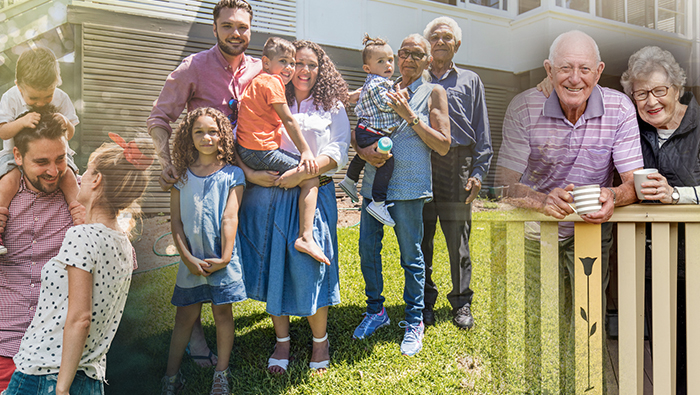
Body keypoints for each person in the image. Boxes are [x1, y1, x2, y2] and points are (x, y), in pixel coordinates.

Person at [494, 30, 643, 389]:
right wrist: (541, 200)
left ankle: (585, 385)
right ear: (549, 68)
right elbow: (502, 185)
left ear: (598, 71)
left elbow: (632, 183)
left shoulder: (620, 108)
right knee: (538, 320)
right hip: (534, 232)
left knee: (587, 322)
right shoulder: (524, 106)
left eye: (584, 69)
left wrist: (613, 196)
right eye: (564, 68)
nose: (574, 78)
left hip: (589, 232)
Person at [147, 0, 260, 367]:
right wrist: (169, 163)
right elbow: (159, 117)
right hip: (200, 182)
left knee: (238, 247)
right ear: (214, 28)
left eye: (242, 27)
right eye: (227, 26)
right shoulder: (193, 66)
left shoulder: (259, 69)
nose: (235, 33)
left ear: (250, 30)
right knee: (195, 252)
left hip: (246, 178)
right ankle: (195, 337)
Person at [2, 131, 149, 395]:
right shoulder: (124, 244)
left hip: (45, 373)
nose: (75, 175)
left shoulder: (81, 235)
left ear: (96, 180)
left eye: (85, 170)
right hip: (91, 376)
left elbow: (81, 318)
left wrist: (61, 388)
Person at [238, 40, 349, 374]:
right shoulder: (269, 93)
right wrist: (250, 175)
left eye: (311, 64)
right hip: (270, 193)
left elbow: (339, 148)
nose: (303, 70)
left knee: (308, 265)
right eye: (297, 63)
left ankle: (320, 341)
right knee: (275, 265)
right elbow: (240, 135)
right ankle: (282, 341)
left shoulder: (331, 105)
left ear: (321, 69)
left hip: (312, 195)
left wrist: (303, 173)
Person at [352, 34, 450, 357]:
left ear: (428, 61)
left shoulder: (432, 92)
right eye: (403, 52)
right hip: (373, 188)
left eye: (416, 54)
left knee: (411, 256)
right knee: (368, 249)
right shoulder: (379, 86)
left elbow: (443, 144)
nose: (407, 58)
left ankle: (413, 320)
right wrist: (363, 150)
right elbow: (360, 129)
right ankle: (376, 310)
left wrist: (411, 116)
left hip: (409, 188)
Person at [620, 45, 697, 394]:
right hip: (652, 262)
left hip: (695, 259)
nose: (651, 101)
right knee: (663, 348)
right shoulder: (631, 130)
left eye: (659, 90)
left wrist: (676, 195)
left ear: (677, 89)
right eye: (641, 94)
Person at [160, 108, 246, 395]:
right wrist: (186, 257)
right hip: (190, 259)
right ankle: (170, 377)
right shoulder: (181, 177)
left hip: (223, 260)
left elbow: (230, 217)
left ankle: (221, 374)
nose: (206, 137)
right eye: (199, 131)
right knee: (184, 317)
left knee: (223, 314)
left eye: (212, 131)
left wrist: (224, 257)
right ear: (189, 136)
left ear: (222, 135)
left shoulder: (233, 174)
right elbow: (175, 222)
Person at [0, 112, 84, 392]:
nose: (53, 171)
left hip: (59, 346)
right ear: (18, 156)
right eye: (41, 162)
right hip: (6, 340)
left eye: (60, 159)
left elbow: (122, 260)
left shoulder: (83, 197)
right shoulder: (4, 194)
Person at [420, 17, 493, 329]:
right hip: (422, 162)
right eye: (434, 37)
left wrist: (478, 172)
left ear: (457, 45)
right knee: (421, 239)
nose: (440, 41)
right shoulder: (415, 79)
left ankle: (462, 303)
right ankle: (423, 301)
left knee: (457, 240)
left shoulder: (471, 80)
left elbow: (482, 130)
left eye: (446, 37)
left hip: (458, 163)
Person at [236, 37, 327, 264]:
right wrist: (306, 151)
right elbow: (288, 119)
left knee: (297, 173)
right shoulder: (272, 82)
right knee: (310, 176)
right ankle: (305, 237)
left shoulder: (257, 82)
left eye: (291, 63)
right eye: (283, 61)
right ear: (266, 63)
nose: (289, 68)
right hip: (260, 151)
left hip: (248, 150)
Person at [0, 47, 81, 254]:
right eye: (33, 99)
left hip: (57, 153)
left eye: (47, 96)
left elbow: (70, 133)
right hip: (13, 156)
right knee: (7, 183)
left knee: (69, 178)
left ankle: (81, 217)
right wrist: (22, 122)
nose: (41, 103)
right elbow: (3, 132)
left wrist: (64, 122)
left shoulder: (61, 98)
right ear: (19, 86)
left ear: (57, 84)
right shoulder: (10, 98)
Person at [338, 34, 402, 227]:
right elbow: (384, 104)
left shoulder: (372, 82)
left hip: (366, 130)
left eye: (390, 60)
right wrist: (400, 97)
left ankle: (349, 180)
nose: (388, 65)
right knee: (387, 163)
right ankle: (378, 202)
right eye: (381, 61)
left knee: (363, 156)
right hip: (373, 131)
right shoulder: (379, 84)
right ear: (367, 68)